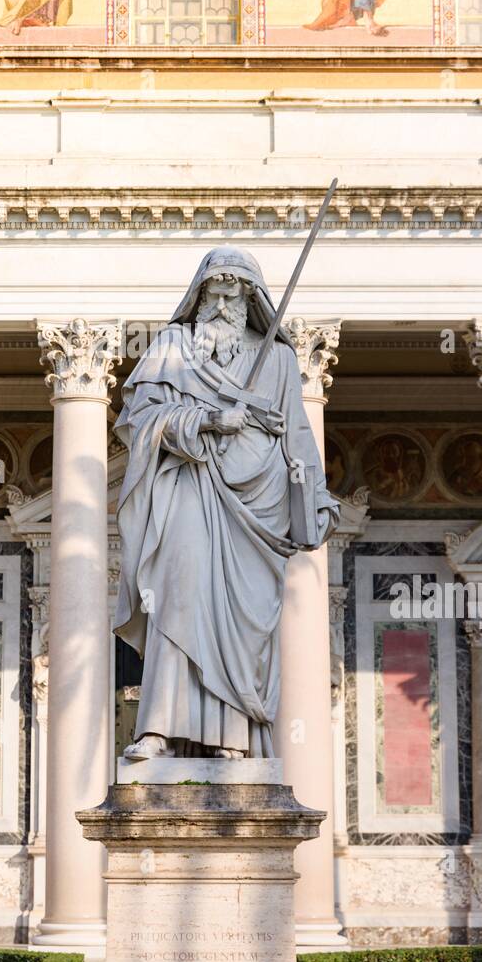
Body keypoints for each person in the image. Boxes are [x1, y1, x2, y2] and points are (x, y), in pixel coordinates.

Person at [114, 246, 339, 760]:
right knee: (179, 594)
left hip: (259, 503)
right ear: (198, 295)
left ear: (251, 297)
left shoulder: (278, 358)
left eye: (234, 289)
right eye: (214, 289)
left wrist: (316, 497)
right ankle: (157, 730)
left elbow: (298, 435)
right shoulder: (173, 345)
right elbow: (140, 418)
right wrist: (208, 421)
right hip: (191, 486)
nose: (223, 299)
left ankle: (232, 738)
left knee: (243, 619)